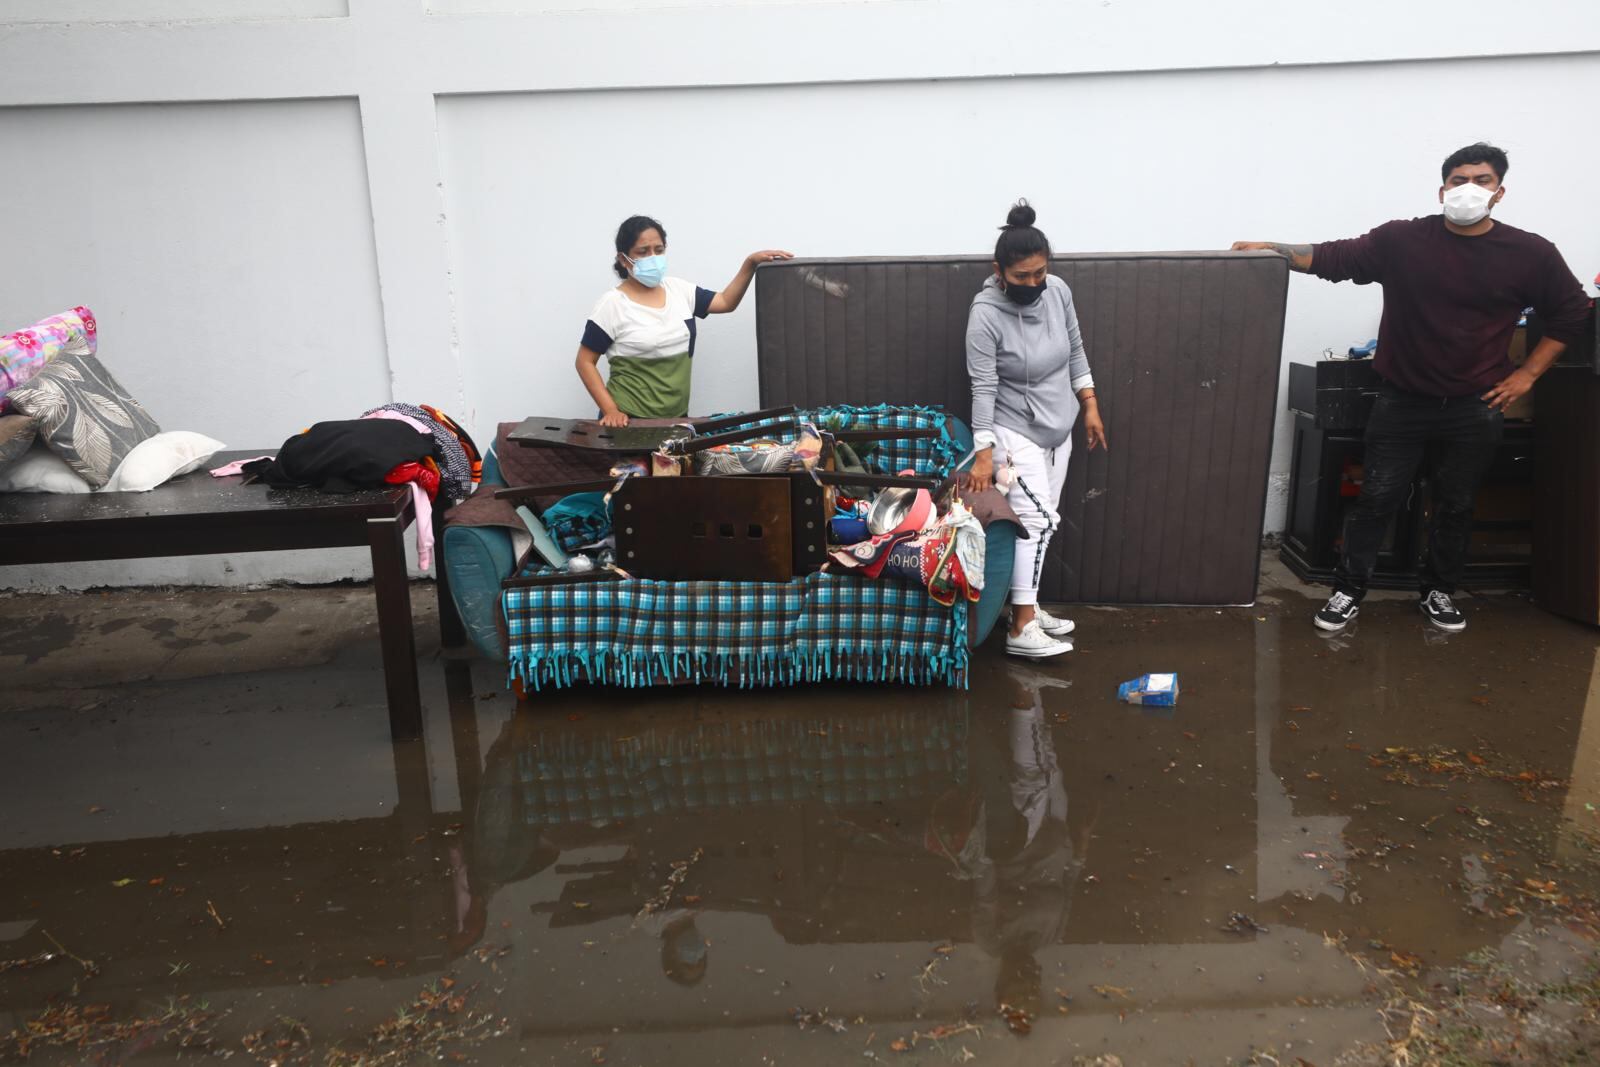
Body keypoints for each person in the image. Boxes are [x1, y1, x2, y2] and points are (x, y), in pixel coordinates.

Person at [1234, 143, 1589, 635]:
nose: (1469, 189)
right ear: (1442, 190)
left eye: (1482, 180)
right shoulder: (1402, 241)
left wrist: (1527, 375)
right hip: (1402, 400)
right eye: (1459, 180)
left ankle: (1439, 590)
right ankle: (1348, 589)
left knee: (1455, 504)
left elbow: (1572, 311)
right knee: (1377, 498)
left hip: (1475, 405)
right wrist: (1273, 250)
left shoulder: (1530, 254)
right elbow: (1333, 257)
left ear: (1500, 192)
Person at [966, 200, 1107, 659]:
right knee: (1038, 521)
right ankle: (1021, 627)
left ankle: (1027, 605)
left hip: (1058, 424)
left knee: (1042, 521)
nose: (1033, 284)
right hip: (1012, 429)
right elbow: (983, 385)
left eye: (1039, 274)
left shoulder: (1058, 292)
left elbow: (1075, 348)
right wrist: (983, 453)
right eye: (1022, 276)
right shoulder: (985, 314)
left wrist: (1089, 403)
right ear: (999, 272)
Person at [576, 215, 791, 427]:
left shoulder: (680, 291)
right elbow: (584, 361)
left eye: (659, 250)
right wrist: (610, 410)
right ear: (624, 260)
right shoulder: (612, 304)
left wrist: (750, 264)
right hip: (629, 422)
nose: (653, 257)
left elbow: (725, 301)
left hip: (677, 419)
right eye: (643, 252)